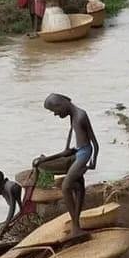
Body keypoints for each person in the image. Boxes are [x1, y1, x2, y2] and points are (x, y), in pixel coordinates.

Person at [33, 94, 99, 241]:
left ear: (61, 105)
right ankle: (76, 224)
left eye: (55, 111)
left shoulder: (81, 115)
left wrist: (93, 160)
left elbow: (94, 142)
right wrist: (50, 158)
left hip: (84, 154)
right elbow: (69, 144)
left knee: (66, 187)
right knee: (78, 185)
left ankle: (76, 226)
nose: (56, 114)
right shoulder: (73, 115)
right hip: (77, 152)